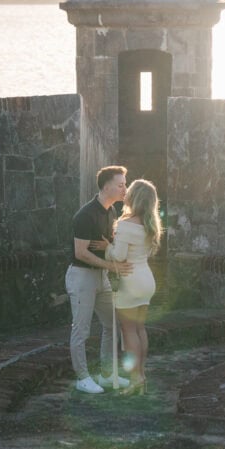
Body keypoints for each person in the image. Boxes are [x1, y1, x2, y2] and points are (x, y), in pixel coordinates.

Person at [67, 165, 133, 394]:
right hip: (82, 276)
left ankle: (106, 375)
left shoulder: (111, 211)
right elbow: (81, 253)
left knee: (111, 323)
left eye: (125, 184)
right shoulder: (85, 215)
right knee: (81, 330)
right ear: (107, 187)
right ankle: (82, 377)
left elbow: (110, 244)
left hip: (101, 277)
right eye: (121, 184)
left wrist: (112, 254)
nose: (125, 188)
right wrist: (112, 265)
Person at [107, 178, 162, 395]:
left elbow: (119, 256)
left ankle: (135, 379)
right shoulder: (150, 225)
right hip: (146, 280)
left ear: (134, 196)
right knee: (139, 329)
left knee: (128, 330)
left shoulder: (126, 224)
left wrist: (107, 247)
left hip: (129, 281)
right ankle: (142, 375)